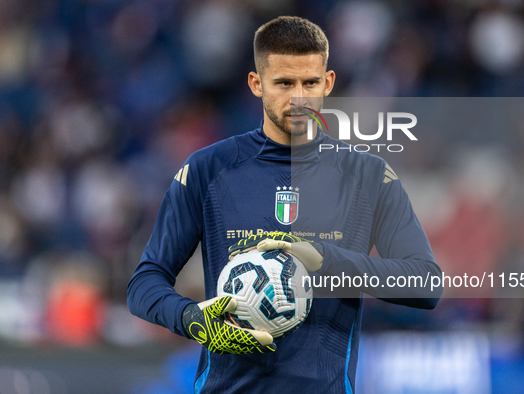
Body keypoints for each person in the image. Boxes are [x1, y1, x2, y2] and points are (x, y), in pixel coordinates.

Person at [127, 16, 442, 394]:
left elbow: (425, 284)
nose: (298, 98)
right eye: (283, 84)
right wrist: (192, 318)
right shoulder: (207, 170)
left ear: (327, 83)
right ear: (256, 84)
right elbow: (144, 284)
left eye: (310, 83)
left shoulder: (368, 176)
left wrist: (328, 260)